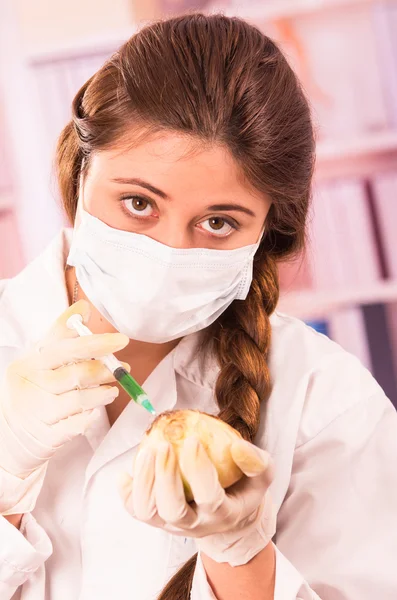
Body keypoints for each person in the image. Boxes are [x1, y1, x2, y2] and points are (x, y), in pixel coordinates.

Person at [0, 13, 396, 600]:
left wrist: (241, 554)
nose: (167, 253)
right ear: (81, 171)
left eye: (218, 222)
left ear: (268, 231)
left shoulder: (326, 399)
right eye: (138, 202)